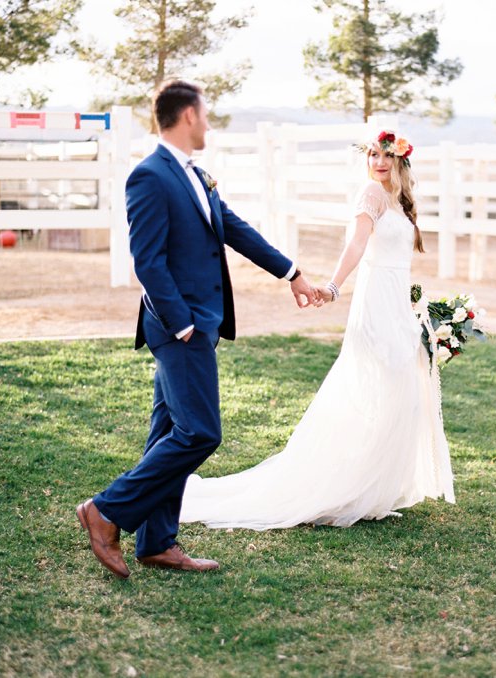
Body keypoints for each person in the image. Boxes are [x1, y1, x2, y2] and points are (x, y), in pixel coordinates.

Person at [76, 80, 320, 579]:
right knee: (200, 432)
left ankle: (157, 542)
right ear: (188, 116)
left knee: (169, 430)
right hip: (179, 326)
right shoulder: (149, 176)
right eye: (205, 113)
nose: (208, 122)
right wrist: (183, 322)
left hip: (198, 323)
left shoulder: (195, 175)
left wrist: (290, 273)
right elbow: (147, 260)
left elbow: (233, 229)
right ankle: (104, 511)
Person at [179, 129, 455, 530]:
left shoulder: (401, 200)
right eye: (372, 155)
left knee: (401, 391)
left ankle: (372, 485)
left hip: (397, 303)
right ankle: (349, 485)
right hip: (375, 303)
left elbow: (398, 255)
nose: (377, 162)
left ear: (400, 160)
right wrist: (334, 285)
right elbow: (357, 245)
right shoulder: (371, 194)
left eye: (385, 156)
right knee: (378, 385)